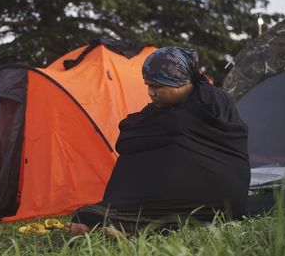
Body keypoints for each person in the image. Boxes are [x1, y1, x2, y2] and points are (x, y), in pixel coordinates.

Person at [67, 47, 250, 236]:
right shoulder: (164, 108)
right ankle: (125, 225)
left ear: (179, 83)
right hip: (183, 190)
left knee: (176, 150)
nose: (150, 92)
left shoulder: (211, 101)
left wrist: (169, 133)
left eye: (157, 86)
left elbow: (198, 136)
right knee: (140, 152)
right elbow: (130, 136)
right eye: (148, 85)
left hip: (220, 193)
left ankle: (126, 225)